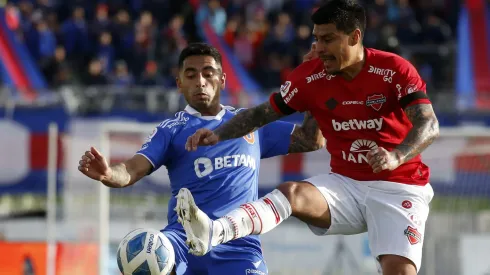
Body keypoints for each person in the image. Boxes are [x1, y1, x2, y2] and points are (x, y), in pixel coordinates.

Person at [177, 1, 440, 275]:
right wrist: (217, 134)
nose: (320, 48)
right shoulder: (310, 76)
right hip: (345, 184)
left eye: (328, 39)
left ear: (355, 37)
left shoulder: (393, 69)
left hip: (399, 186)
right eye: (316, 39)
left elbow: (429, 124)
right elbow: (262, 114)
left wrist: (396, 155)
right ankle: (214, 231)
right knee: (293, 193)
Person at [78, 42, 323, 275]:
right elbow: (133, 168)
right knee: (147, 247)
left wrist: (315, 81)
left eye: (208, 73)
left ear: (222, 80)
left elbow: (311, 140)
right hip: (183, 244)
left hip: (238, 246)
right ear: (180, 83)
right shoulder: (171, 130)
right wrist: (109, 174)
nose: (200, 82)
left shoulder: (250, 124)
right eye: (191, 75)